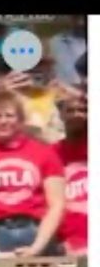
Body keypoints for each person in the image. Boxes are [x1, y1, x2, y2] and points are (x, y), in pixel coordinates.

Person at [0, 90, 66, 267]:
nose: (3, 121)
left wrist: (37, 247)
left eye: (10, 115)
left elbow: (57, 204)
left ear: (21, 120)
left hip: (35, 230)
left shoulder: (45, 154)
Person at [54, 94, 87, 256]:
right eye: (70, 110)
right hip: (70, 242)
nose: (76, 115)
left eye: (83, 110)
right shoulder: (52, 154)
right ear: (61, 114)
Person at [49, 15, 87, 88]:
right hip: (71, 92)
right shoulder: (59, 40)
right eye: (77, 17)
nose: (81, 22)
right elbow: (71, 75)